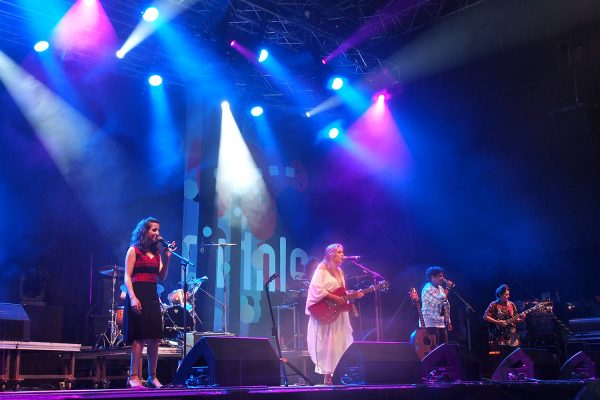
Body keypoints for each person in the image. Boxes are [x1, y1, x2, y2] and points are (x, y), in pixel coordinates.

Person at [123, 217, 175, 388]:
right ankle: (133, 377)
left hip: (152, 296)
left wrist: (167, 258)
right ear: (144, 231)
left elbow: (162, 276)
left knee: (154, 337)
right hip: (138, 293)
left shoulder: (158, 253)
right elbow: (127, 277)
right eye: (154, 230)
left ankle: (152, 377)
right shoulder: (134, 250)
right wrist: (132, 297)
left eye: (158, 230)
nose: (157, 234)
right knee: (139, 338)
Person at [305, 243, 364, 385]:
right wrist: (335, 298)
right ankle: (327, 375)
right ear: (331, 254)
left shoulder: (340, 272)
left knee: (339, 341)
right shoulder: (322, 269)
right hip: (325, 310)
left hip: (338, 312)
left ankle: (337, 373)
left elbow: (341, 293)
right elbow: (316, 290)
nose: (343, 255)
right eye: (340, 252)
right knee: (327, 342)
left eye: (343, 252)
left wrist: (353, 295)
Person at [483, 284, 525, 360]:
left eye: (508, 294)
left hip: (513, 338)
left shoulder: (511, 304)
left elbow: (516, 319)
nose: (508, 296)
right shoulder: (493, 305)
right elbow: (485, 316)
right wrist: (497, 322)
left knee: (515, 360)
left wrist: (522, 319)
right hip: (500, 337)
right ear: (500, 295)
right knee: (503, 360)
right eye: (506, 295)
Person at [420, 265, 453, 344]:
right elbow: (440, 300)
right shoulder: (427, 289)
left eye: (442, 276)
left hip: (441, 322)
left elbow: (445, 305)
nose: (443, 278)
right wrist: (448, 288)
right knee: (435, 347)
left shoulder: (440, 288)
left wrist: (447, 321)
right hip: (430, 323)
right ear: (432, 277)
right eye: (440, 276)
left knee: (444, 346)